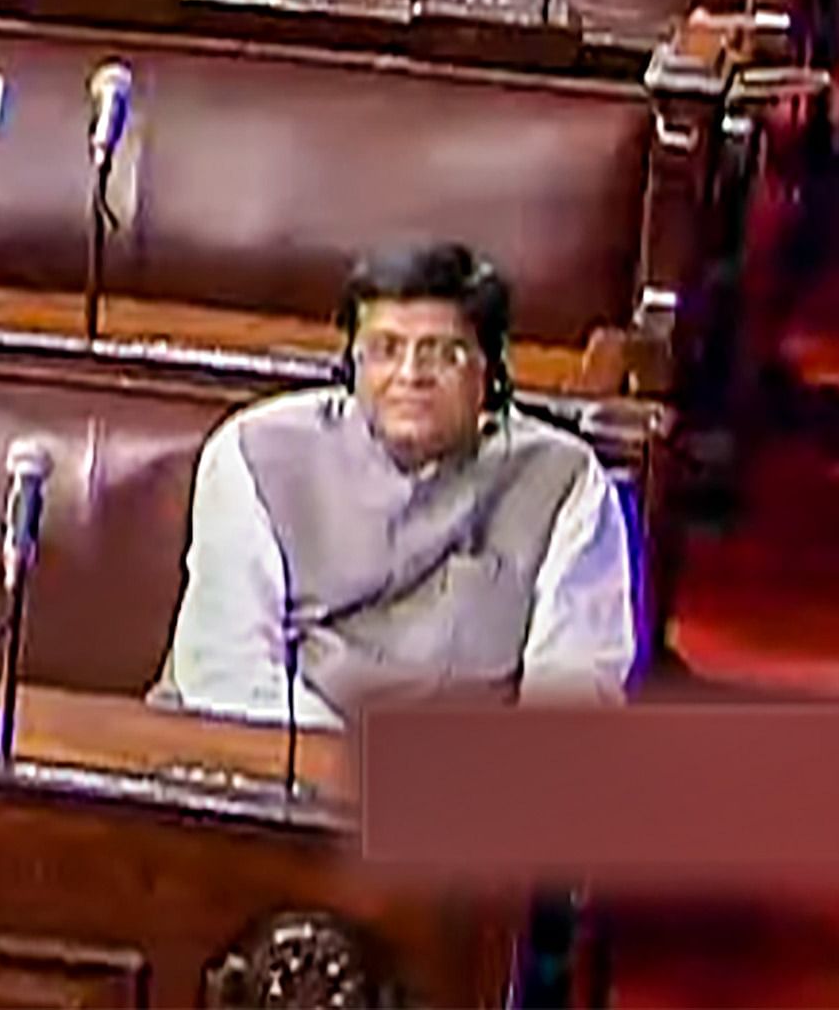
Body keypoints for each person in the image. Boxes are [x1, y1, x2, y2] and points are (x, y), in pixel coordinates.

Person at [157, 241, 637, 724]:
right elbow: (227, 670)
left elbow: (573, 691)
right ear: (353, 362)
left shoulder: (565, 481)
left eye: (442, 353)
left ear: (488, 370)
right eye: (386, 349)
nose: (411, 376)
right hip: (272, 755)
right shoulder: (254, 454)